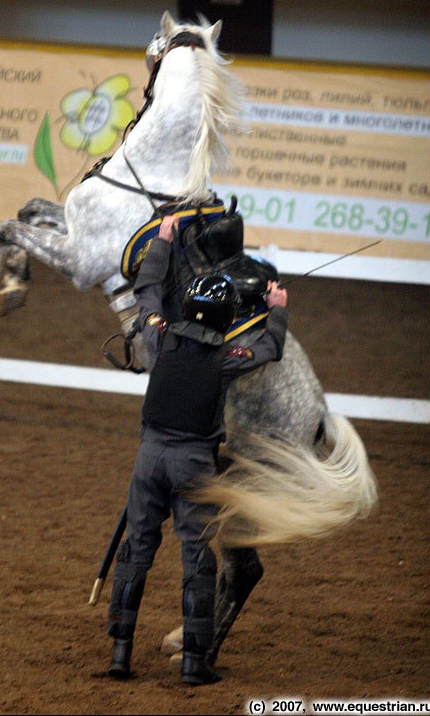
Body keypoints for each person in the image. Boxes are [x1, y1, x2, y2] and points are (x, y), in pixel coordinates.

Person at [107, 215, 288, 686]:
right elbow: (270, 347)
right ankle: (193, 663)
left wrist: (164, 242)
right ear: (227, 318)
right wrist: (276, 306)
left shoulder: (158, 335)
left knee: (137, 551)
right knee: (197, 558)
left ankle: (120, 654)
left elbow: (146, 288)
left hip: (148, 462)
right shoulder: (227, 360)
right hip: (193, 465)